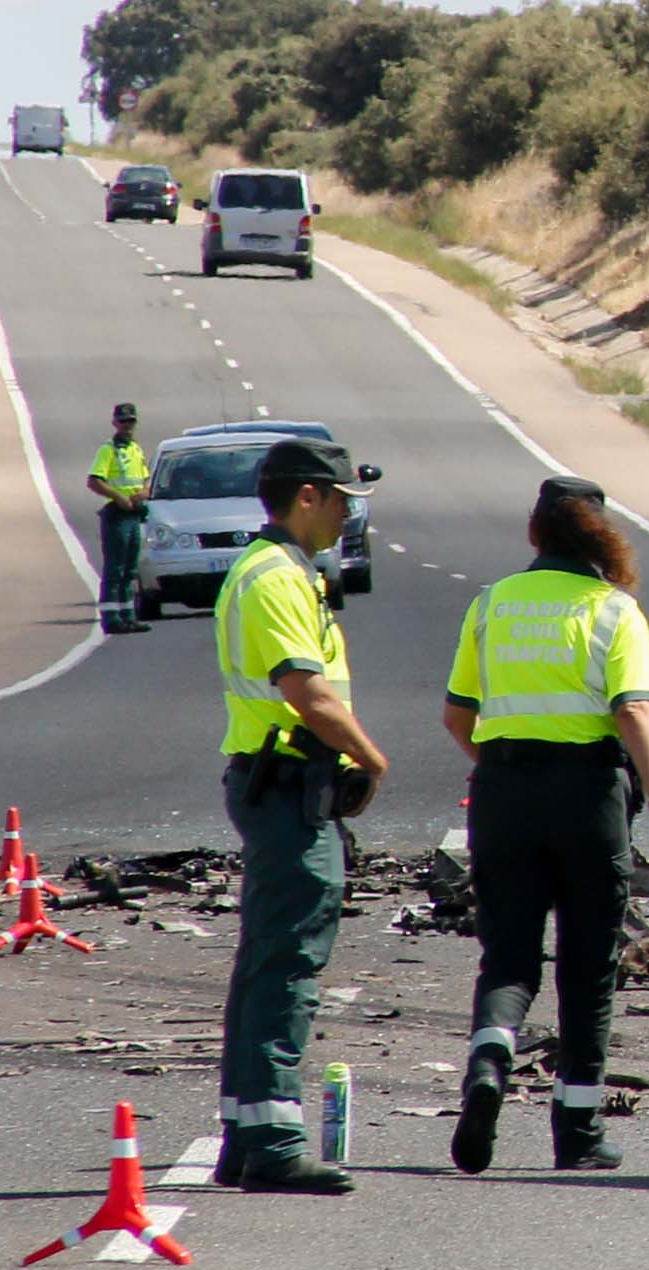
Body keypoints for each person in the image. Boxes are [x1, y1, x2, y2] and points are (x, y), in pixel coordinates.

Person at [442, 476, 649, 1175]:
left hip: (502, 794)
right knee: (588, 967)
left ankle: (491, 1058)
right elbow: (633, 712)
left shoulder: (491, 605)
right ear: (602, 537)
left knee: (509, 959)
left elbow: (457, 716)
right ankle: (576, 1132)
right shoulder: (613, 610)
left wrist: (500, 767)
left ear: (533, 533)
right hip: (587, 799)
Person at [212, 437, 387, 1194]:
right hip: (284, 786)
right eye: (343, 499)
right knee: (289, 964)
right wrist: (371, 759)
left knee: (265, 959)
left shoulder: (278, 570)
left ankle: (244, 1134)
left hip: (278, 780)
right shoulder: (277, 577)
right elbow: (306, 693)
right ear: (307, 496)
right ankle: (277, 1140)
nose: (350, 513)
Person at [86, 401, 150, 635]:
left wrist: (143, 493)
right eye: (122, 421)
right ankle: (111, 618)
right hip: (116, 515)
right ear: (114, 423)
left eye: (130, 421)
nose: (127, 425)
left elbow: (145, 480)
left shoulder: (136, 449)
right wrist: (118, 497)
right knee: (116, 568)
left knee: (131, 569)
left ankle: (128, 616)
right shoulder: (108, 450)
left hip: (133, 515)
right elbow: (94, 481)